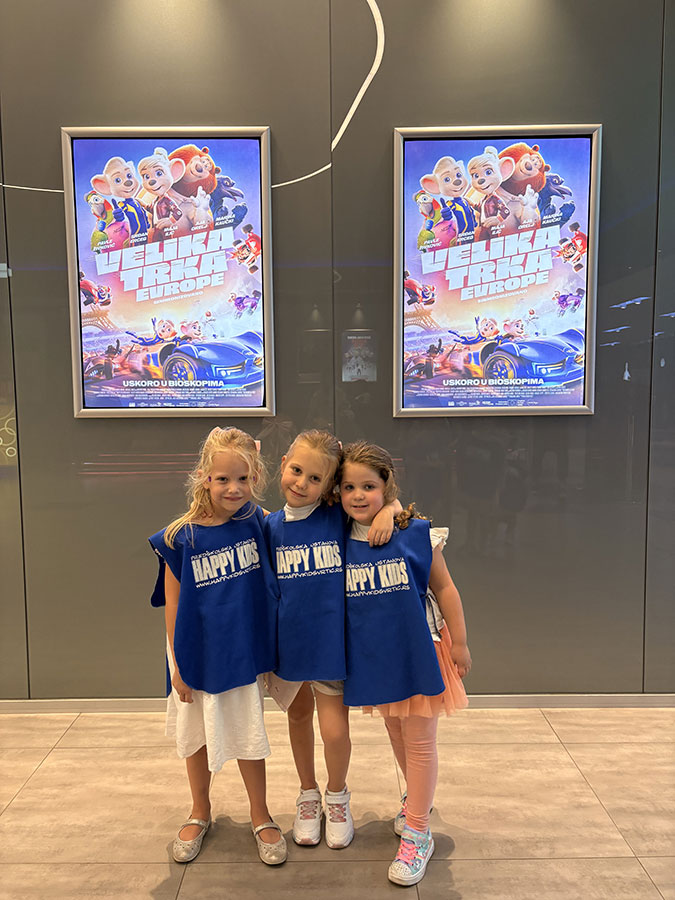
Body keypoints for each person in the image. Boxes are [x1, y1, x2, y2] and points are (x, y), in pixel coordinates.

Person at [148, 426, 286, 866]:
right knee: (195, 733)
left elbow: (307, 523)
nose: (234, 488)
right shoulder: (179, 537)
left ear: (256, 477)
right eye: (223, 478)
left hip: (240, 652)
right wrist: (178, 666)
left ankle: (260, 813)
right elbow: (172, 605)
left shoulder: (258, 522)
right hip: (193, 650)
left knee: (248, 731)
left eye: (243, 479)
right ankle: (199, 810)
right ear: (204, 477)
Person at [339, 441, 471, 887]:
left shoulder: (416, 533)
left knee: (419, 740)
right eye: (349, 487)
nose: (358, 495)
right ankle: (416, 801)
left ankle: (418, 832)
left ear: (387, 486)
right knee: (396, 730)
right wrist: (385, 510)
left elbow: (446, 588)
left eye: (369, 487)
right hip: (376, 656)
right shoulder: (338, 535)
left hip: (419, 651)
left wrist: (460, 643)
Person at [264, 430, 399, 850]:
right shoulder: (269, 526)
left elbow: (382, 500)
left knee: (335, 730)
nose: (301, 483)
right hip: (288, 645)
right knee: (298, 718)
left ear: (329, 486)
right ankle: (308, 794)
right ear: (283, 463)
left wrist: (389, 511)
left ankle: (337, 795)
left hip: (330, 645)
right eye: (296, 470)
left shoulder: (335, 516)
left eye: (315, 478)